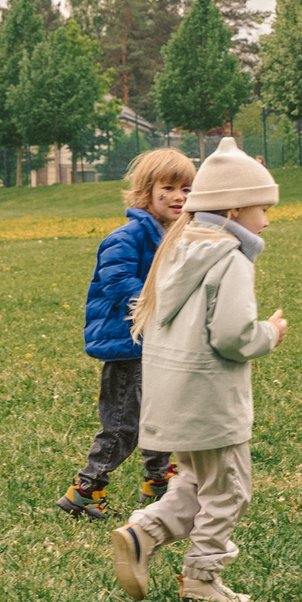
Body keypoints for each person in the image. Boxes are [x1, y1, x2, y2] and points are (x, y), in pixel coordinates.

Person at [108, 140, 285, 602]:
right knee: (229, 488)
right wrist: (269, 332)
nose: (266, 220)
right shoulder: (229, 258)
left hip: (173, 398)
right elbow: (232, 335)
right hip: (209, 401)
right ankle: (204, 578)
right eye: (262, 208)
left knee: (194, 480)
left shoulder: (179, 247)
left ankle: (145, 532)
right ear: (232, 208)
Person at [60, 148, 196, 520]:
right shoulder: (129, 235)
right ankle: (86, 489)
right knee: (123, 424)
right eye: (168, 187)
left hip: (155, 343)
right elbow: (117, 278)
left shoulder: (174, 234)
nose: (179, 197)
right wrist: (152, 303)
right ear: (145, 193)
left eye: (187, 188)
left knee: (162, 414)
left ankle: (158, 481)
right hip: (127, 345)